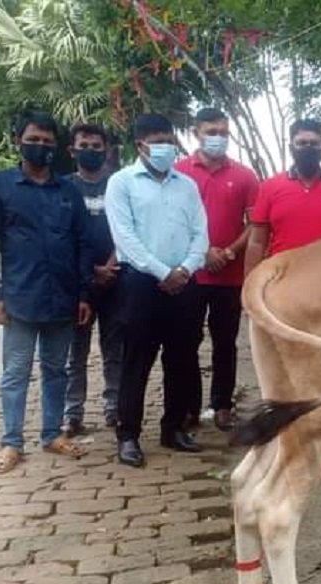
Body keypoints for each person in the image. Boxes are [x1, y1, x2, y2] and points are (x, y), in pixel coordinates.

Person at [0, 111, 93, 474]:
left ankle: (52, 434)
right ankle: (11, 443)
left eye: (46, 141)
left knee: (57, 370)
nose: (40, 147)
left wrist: (84, 293)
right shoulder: (0, 186)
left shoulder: (68, 190)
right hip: (19, 300)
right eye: (33, 140)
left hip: (63, 299)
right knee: (16, 372)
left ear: (56, 147)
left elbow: (82, 242)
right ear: (18, 141)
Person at [105, 113, 208, 468]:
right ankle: (128, 435)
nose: (165, 146)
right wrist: (163, 271)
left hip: (184, 283)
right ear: (141, 145)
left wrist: (185, 269)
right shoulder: (122, 183)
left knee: (181, 359)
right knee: (137, 360)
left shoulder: (187, 185)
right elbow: (125, 238)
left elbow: (201, 234)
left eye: (169, 139)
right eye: (157, 139)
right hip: (140, 284)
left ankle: (173, 428)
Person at [175, 108, 259, 432]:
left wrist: (228, 252)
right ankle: (189, 407)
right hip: (190, 273)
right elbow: (173, 222)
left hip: (230, 274)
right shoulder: (179, 172)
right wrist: (202, 252)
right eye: (212, 131)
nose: (218, 137)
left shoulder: (245, 176)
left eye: (224, 132)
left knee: (225, 342)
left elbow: (255, 224)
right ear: (197, 132)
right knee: (187, 340)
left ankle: (222, 404)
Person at [61, 123, 122, 436]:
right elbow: (63, 236)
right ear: (72, 150)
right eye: (84, 145)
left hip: (117, 280)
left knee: (115, 350)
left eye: (97, 146)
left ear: (106, 150)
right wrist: (90, 272)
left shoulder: (119, 185)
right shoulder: (63, 188)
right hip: (79, 285)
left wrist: (110, 265)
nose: (91, 151)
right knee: (76, 353)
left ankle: (114, 409)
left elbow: (129, 229)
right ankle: (73, 414)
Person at [245, 118, 321, 275]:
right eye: (301, 143)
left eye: (314, 143)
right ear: (291, 147)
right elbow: (257, 243)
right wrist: (249, 285)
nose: (308, 148)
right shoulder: (269, 187)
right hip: (282, 282)